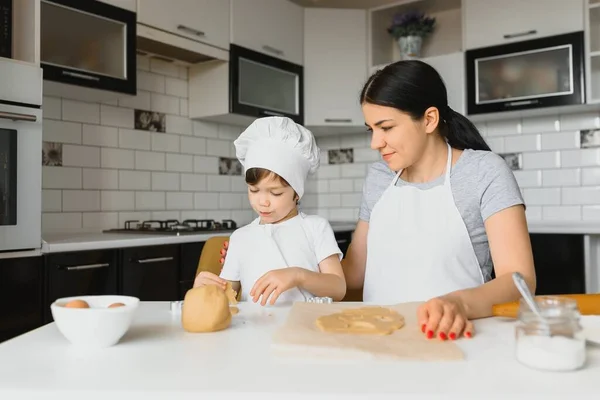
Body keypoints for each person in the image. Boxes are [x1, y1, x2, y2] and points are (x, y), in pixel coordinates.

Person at [219, 60, 536, 341]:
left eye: (386, 128)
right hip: (375, 338)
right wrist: (268, 256)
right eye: (371, 128)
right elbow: (353, 274)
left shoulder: (484, 172)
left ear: (429, 119)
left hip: (451, 338)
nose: (375, 142)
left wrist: (459, 303)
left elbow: (520, 280)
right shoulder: (380, 177)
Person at [193, 116, 346, 305]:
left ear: (297, 192)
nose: (262, 202)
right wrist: (205, 290)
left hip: (306, 328)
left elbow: (338, 288)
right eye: (254, 190)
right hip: (255, 330)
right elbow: (226, 298)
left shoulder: (315, 228)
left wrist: (297, 275)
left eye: (275, 193)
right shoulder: (240, 237)